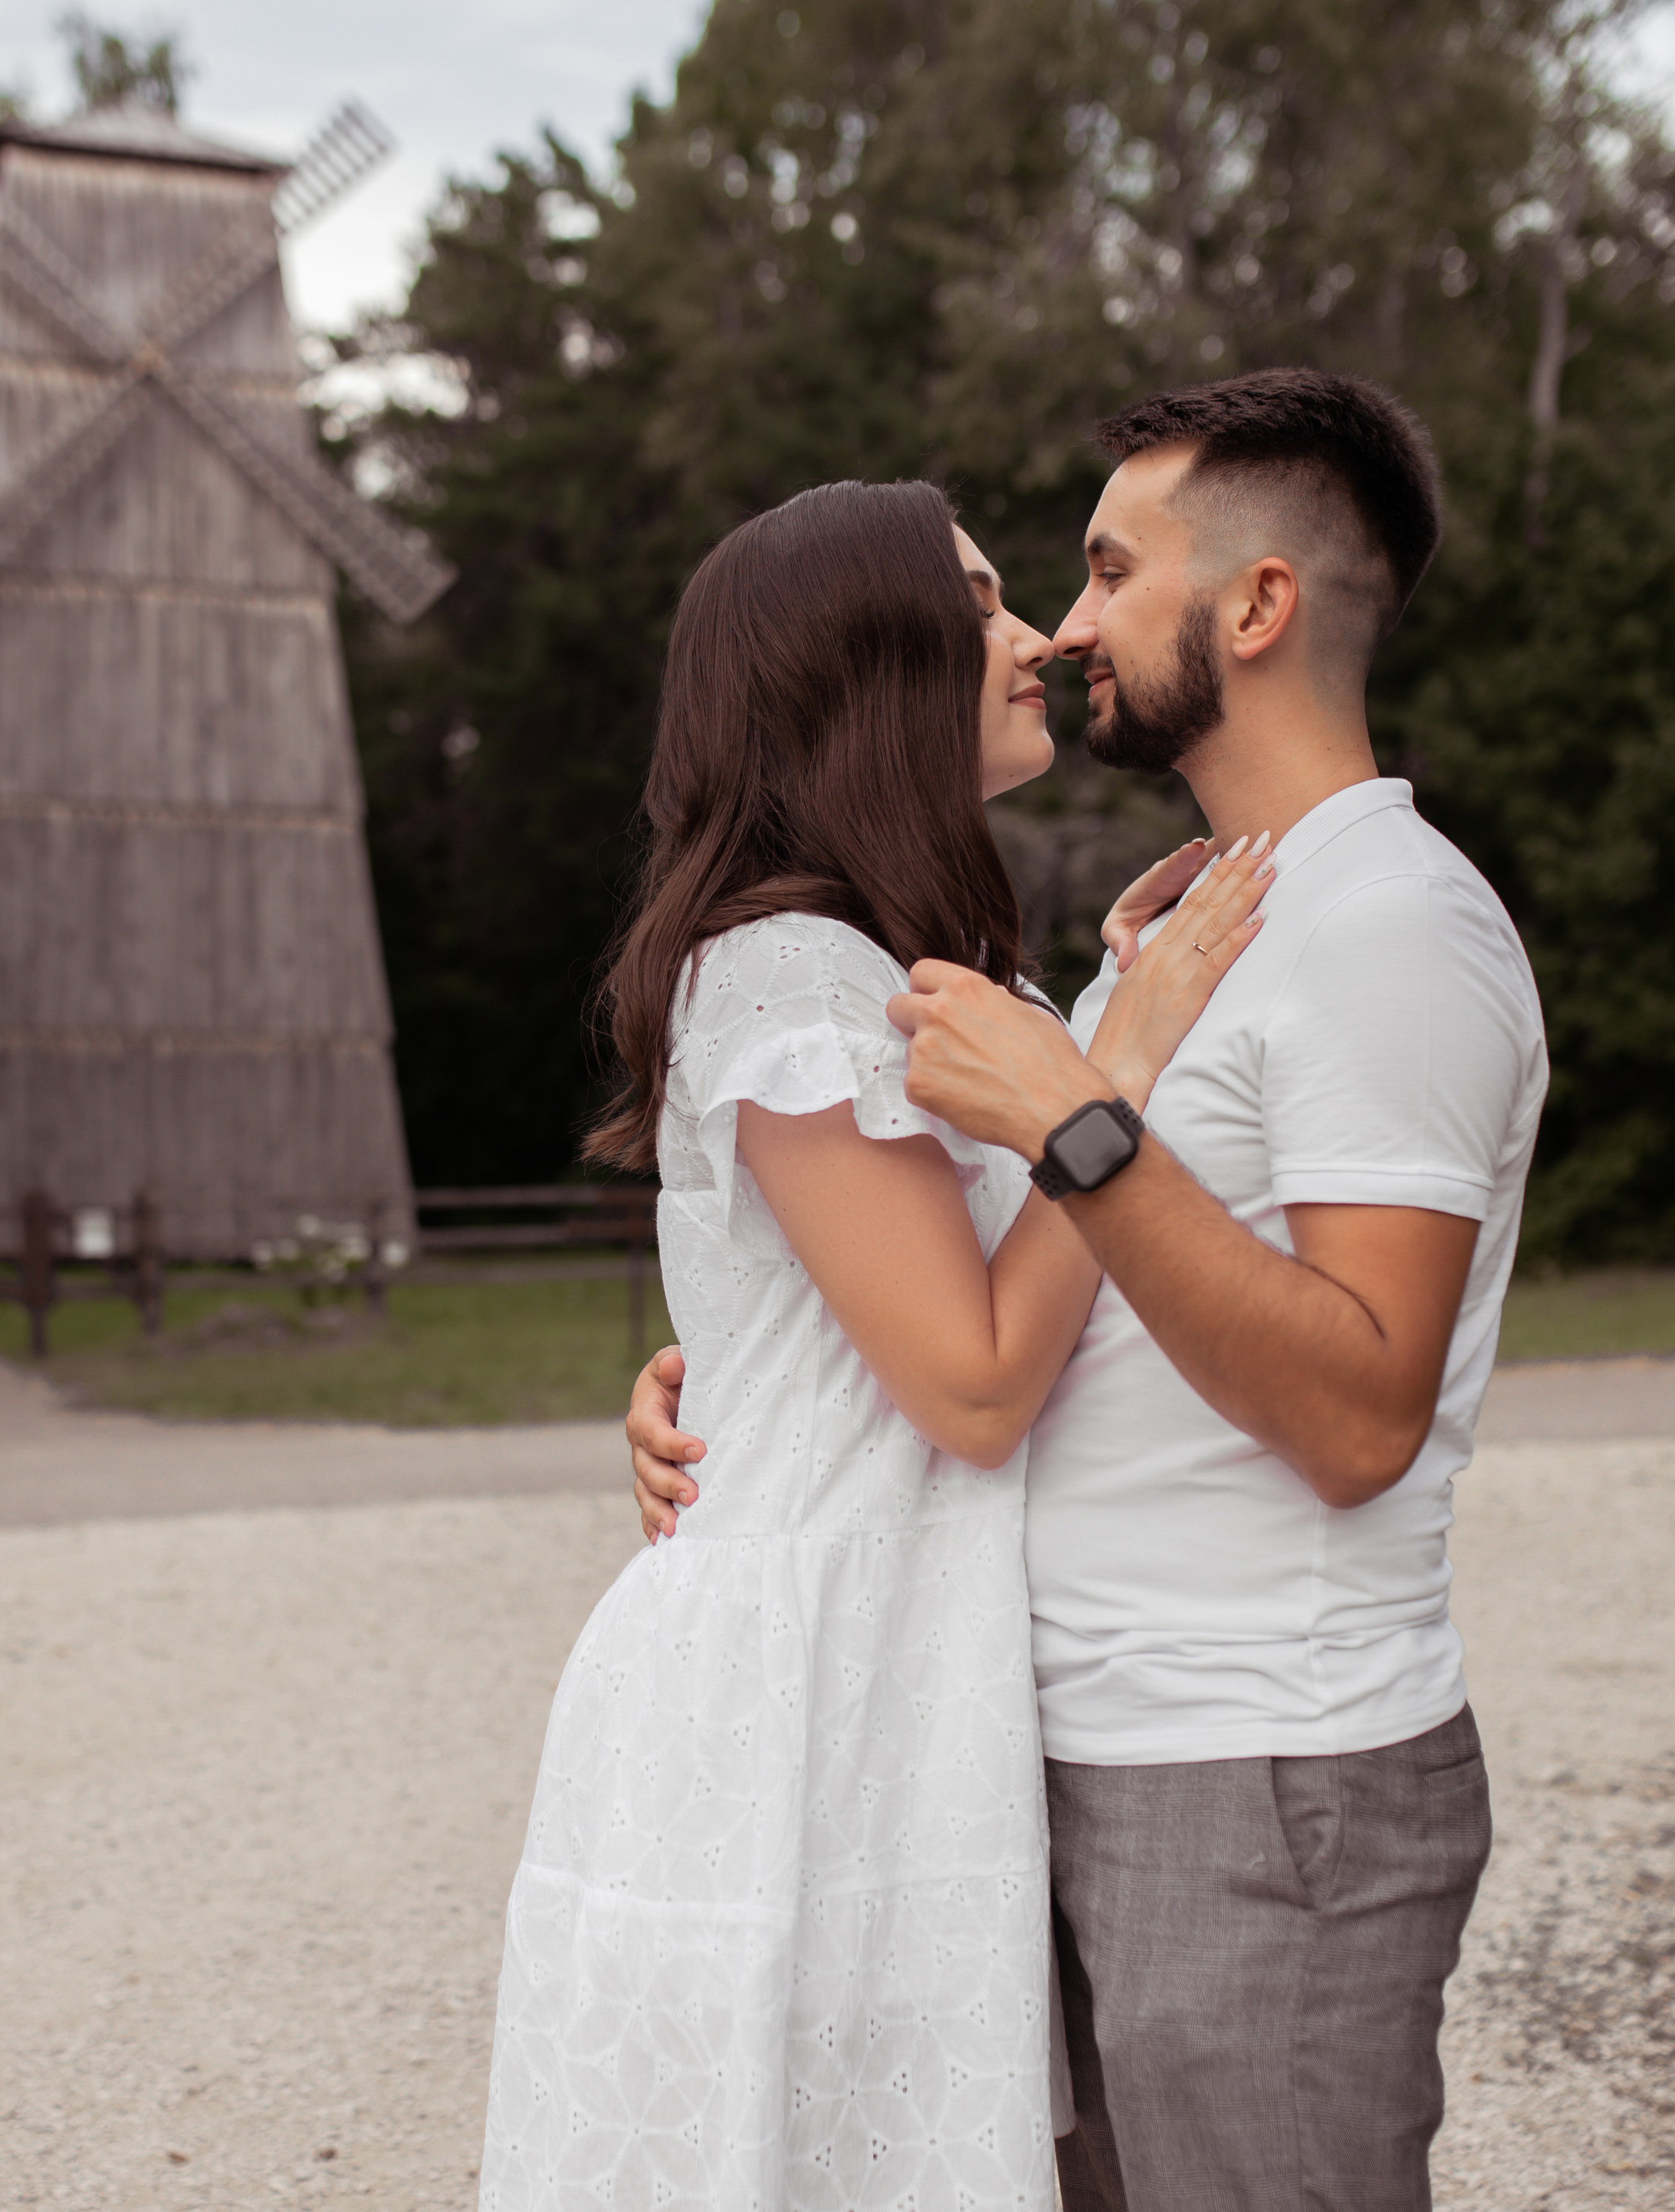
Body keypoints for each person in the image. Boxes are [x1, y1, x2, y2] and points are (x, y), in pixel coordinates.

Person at [629, 371, 1549, 2212]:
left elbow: (1360, 1413)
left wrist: (1079, 1119)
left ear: (1256, 604)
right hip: (1038, 1748)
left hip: (1253, 1762)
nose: (1059, 628)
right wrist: (730, 1375)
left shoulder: (1387, 923)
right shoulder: (1181, 933)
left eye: (1108, 570)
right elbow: (985, 1290)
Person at [479, 478, 1269, 2210]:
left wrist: (1098, 1015)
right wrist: (1117, 1064)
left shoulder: (912, 961)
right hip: (807, 1699)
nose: (1033, 639)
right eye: (976, 605)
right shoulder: (782, 968)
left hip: (907, 1662)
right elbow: (973, 1381)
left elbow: (873, 1311)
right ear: (864, 667)